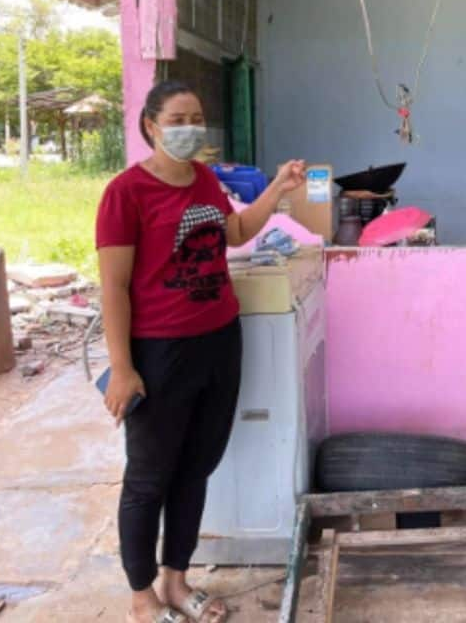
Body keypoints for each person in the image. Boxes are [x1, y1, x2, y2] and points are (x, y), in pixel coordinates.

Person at [96, 80, 306, 623]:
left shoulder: (206, 180)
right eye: (177, 118)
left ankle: (176, 581)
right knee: (149, 477)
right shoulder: (126, 193)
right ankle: (142, 597)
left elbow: (235, 232)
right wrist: (122, 368)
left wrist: (278, 187)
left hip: (219, 340)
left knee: (196, 467)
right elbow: (113, 287)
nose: (191, 128)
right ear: (150, 126)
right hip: (160, 351)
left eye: (197, 117)